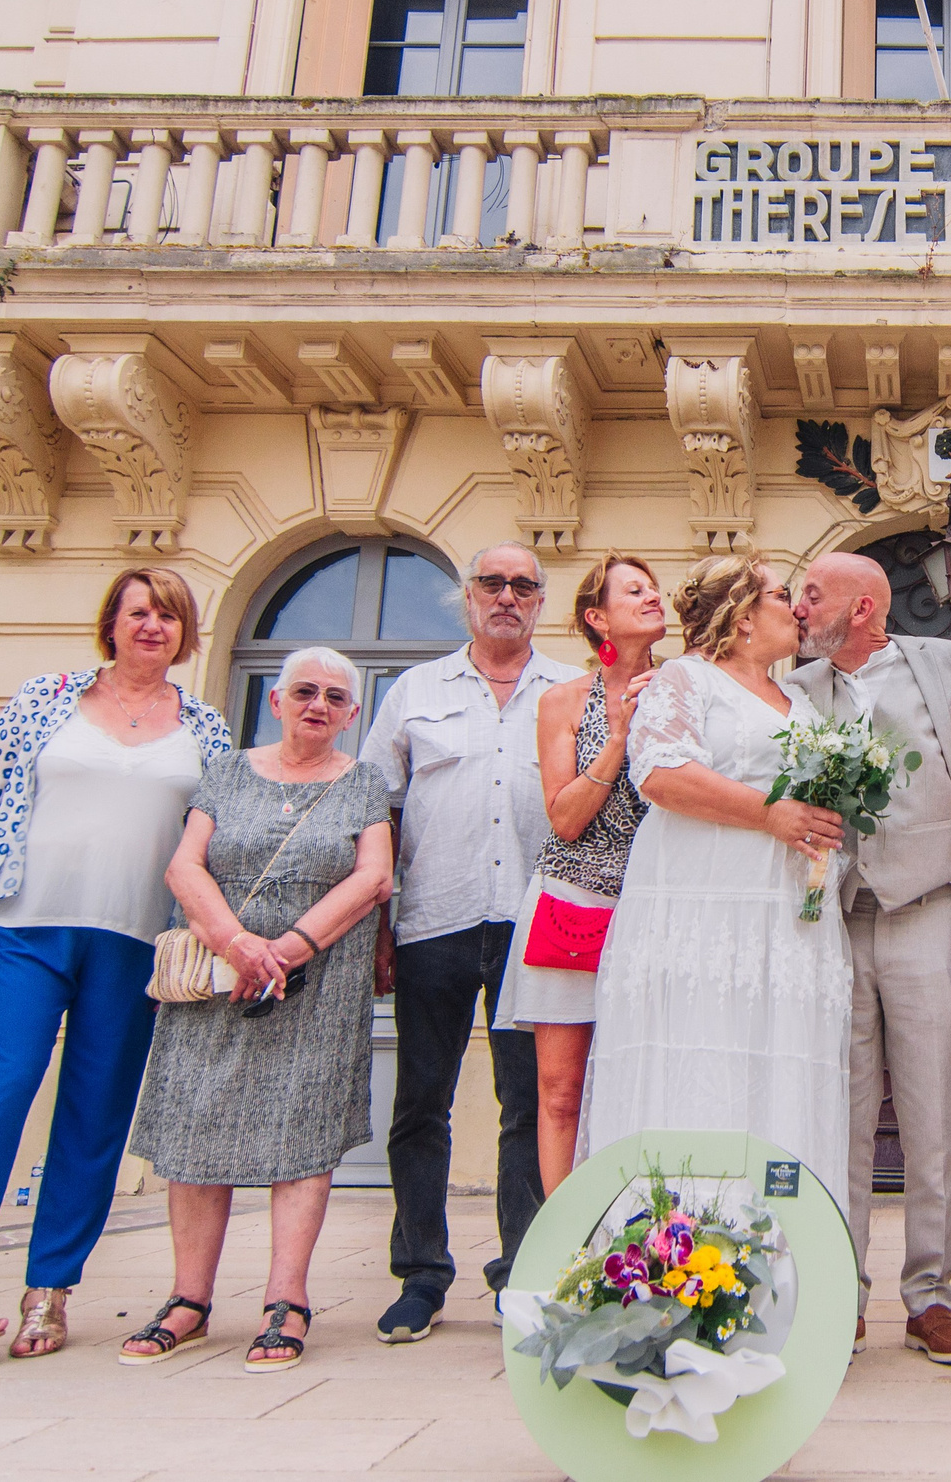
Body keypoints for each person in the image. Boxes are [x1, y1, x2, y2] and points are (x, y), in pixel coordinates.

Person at [0, 568, 231, 1362]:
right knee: (2, 1086)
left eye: (169, 616)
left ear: (185, 634)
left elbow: (217, 836)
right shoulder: (44, 698)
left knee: (95, 1114)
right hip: (24, 925)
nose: (152, 626)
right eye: (139, 612)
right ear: (111, 622)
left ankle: (50, 1289)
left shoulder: (206, 728)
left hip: (134, 940)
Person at [120, 647, 395, 1373]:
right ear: (275, 701)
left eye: (334, 697)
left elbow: (373, 876)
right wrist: (238, 944)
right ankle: (188, 1299)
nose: (318, 706)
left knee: (302, 1131)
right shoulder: (227, 772)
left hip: (318, 982)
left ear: (352, 714)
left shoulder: (363, 781)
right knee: (196, 1126)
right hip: (219, 974)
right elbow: (185, 865)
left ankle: (286, 1300)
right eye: (304, 692)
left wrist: (291, 949)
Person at [358, 542, 579, 1343]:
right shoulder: (416, 691)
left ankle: (522, 1272)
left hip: (536, 922)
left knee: (530, 1104)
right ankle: (420, 1274)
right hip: (434, 920)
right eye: (493, 582)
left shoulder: (570, 691)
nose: (507, 596)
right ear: (468, 595)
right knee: (422, 1103)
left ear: (541, 601)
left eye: (523, 585)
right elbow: (376, 811)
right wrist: (379, 927)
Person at [584, 554, 853, 1197]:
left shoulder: (801, 701)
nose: (797, 608)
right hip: (703, 911)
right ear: (742, 616)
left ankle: (781, 1234)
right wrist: (771, 814)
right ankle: (683, 1228)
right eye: (783, 595)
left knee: (778, 1060)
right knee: (703, 1051)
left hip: (785, 918)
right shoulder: (684, 678)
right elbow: (660, 775)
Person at [788, 552, 951, 1366]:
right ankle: (842, 1292)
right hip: (829, 920)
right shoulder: (793, 688)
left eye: (813, 594)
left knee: (934, 1110)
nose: (798, 607)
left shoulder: (950, 664)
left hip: (926, 908)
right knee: (838, 1114)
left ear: (863, 606)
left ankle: (931, 1297)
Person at [494, 552, 663, 1194]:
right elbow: (564, 819)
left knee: (644, 1080)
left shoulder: (686, 688)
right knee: (561, 1090)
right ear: (598, 619)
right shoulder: (562, 701)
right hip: (573, 902)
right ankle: (566, 1238)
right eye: (634, 591)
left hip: (657, 906)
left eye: (653, 589)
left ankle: (646, 1227)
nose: (653, 597)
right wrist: (618, 737)